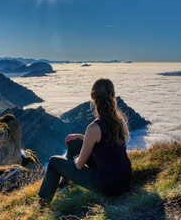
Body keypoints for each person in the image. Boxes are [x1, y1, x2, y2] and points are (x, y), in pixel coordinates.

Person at [38, 78, 132, 206]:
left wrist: (71, 163)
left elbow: (79, 165)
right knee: (74, 143)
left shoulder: (94, 128)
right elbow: (106, 143)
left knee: (54, 162)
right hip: (125, 179)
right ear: (113, 95)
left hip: (107, 187)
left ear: (92, 96)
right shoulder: (118, 121)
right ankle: (65, 181)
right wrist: (82, 137)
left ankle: (44, 201)